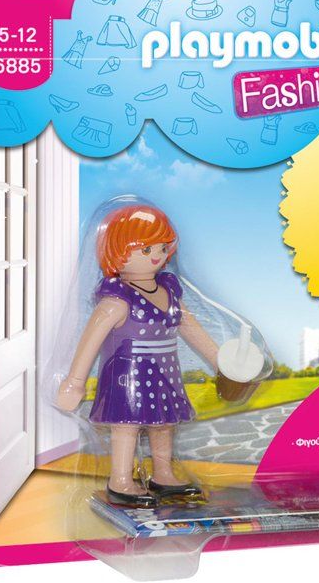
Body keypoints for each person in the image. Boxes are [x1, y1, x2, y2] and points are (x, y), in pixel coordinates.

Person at [57, 205, 219, 506]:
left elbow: (191, 328)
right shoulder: (117, 300)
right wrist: (75, 382)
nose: (156, 255)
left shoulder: (169, 292)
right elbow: (90, 340)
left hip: (165, 372)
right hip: (128, 374)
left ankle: (163, 473)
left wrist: (219, 360)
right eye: (145, 249)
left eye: (161, 247)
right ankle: (120, 479)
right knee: (126, 425)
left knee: (164, 424)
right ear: (117, 250)